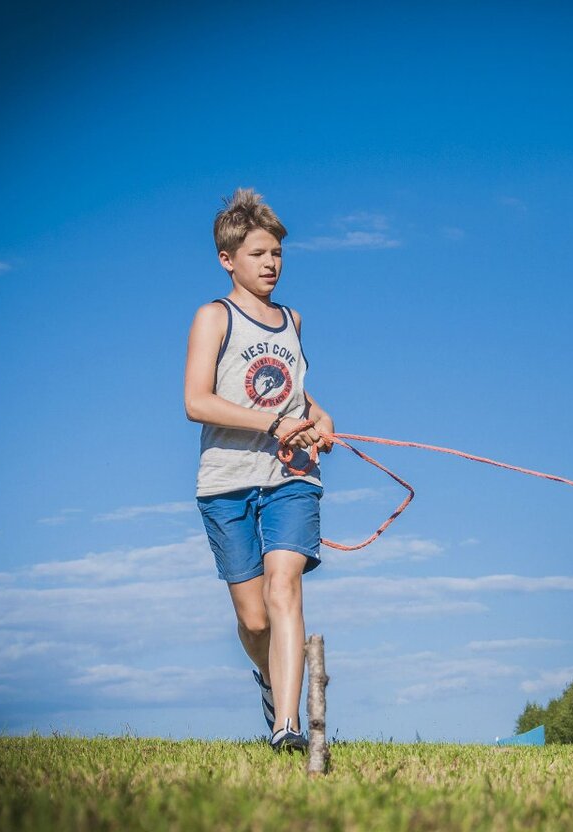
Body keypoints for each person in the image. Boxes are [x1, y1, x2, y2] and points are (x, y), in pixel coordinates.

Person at [184, 188, 334, 752]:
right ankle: (272, 685)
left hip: (291, 476)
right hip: (226, 481)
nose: (271, 264)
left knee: (284, 586)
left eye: (277, 254)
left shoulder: (292, 319)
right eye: (258, 254)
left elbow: (292, 387)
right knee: (253, 621)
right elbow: (196, 401)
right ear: (228, 259)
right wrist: (271, 422)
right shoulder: (213, 317)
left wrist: (317, 415)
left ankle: (287, 727)